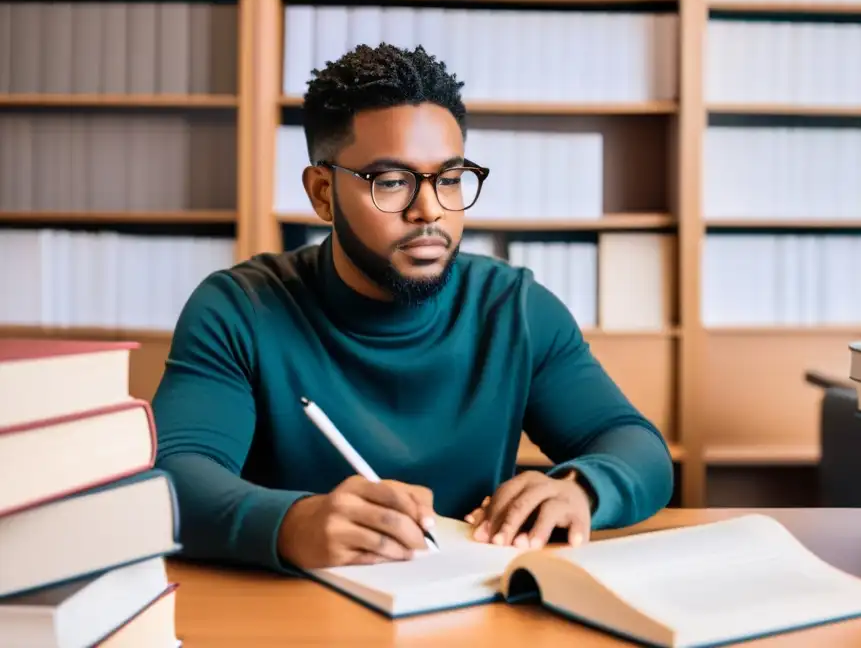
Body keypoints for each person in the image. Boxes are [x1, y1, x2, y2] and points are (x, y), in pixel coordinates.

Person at [151, 42, 674, 574]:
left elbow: (638, 448)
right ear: (323, 193)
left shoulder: (515, 309)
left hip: (473, 608)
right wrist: (292, 523)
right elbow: (174, 476)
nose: (429, 210)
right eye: (392, 181)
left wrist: (582, 489)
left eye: (449, 179)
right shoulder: (239, 309)